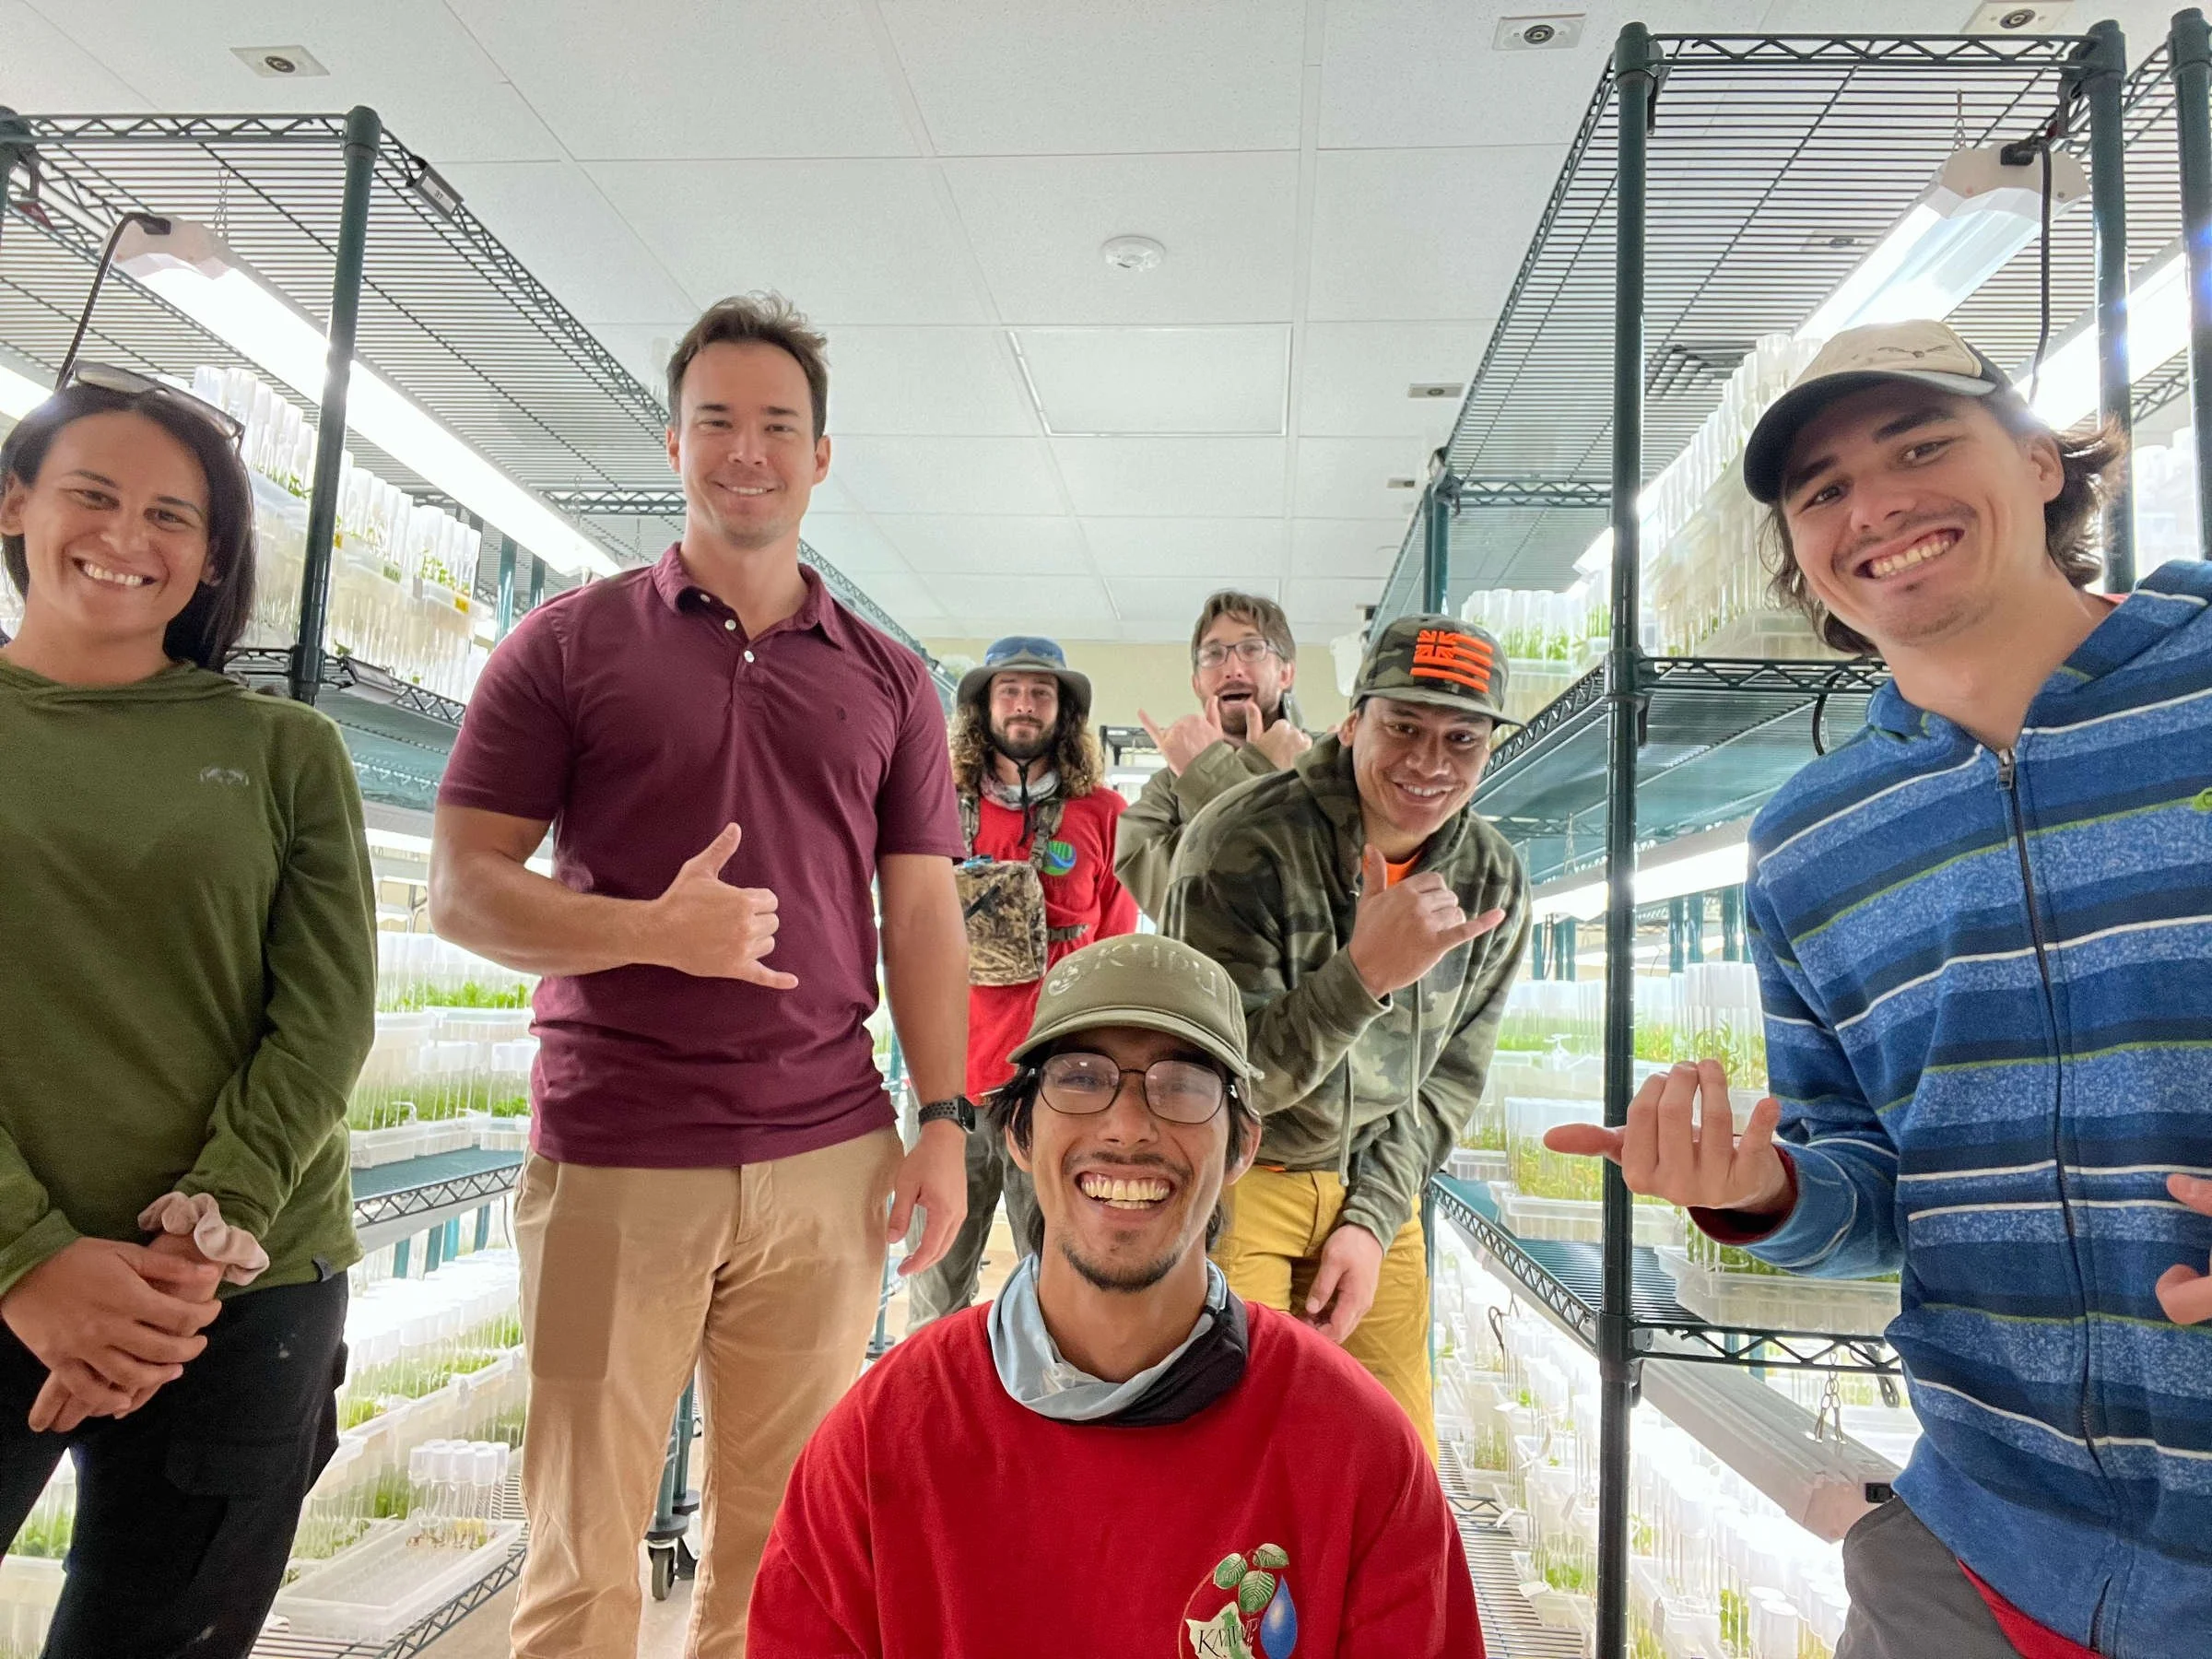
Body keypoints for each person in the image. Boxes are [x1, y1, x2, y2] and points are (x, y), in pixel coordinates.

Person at [1543, 320, 2212, 1659]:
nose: (1877, 507)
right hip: (1979, 1560)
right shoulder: (1812, 841)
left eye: (1920, 446)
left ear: (2038, 464)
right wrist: (1766, 1197)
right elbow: (1869, 1186)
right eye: (1822, 490)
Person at [429, 294, 972, 1659]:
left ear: (821, 457)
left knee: (789, 1549)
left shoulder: (891, 681)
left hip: (828, 1162)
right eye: (717, 420)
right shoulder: (565, 646)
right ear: (671, 443)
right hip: (612, 1157)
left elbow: (921, 915)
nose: (748, 449)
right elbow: (463, 889)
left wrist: (948, 1121)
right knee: (577, 1557)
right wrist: (642, 932)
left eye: (778, 424)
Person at [748, 934, 1485, 1658]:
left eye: (1184, 1085)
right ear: (1018, 1132)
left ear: (1242, 1148)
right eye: (1079, 1076)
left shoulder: (1359, 1454)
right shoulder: (880, 1444)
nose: (1129, 1127)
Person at [0, 370, 377, 1656]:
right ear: (16, 503)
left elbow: (325, 1015)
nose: (127, 538)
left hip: (237, 1296)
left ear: (212, 556)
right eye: (93, 496)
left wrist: (206, 1236)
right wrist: (29, 1257)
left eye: (173, 516)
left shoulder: (285, 750)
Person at [1164, 616, 1530, 1453]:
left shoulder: (1491, 878)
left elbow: (1452, 1081)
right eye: (1403, 726)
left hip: (1379, 1184)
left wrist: (1369, 1219)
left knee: (1396, 1463)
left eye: (1461, 738)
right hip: (1240, 1177)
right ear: (1354, 719)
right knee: (1238, 1453)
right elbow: (1210, 1082)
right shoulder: (1239, 845)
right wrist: (1362, 976)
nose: (1429, 763)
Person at [903, 635, 1137, 1329]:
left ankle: (1044, 1415)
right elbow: (906, 933)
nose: (1025, 706)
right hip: (951, 1084)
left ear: (1063, 712)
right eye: (1010, 691)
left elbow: (1115, 949)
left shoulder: (1105, 814)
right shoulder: (933, 805)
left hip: (1056, 1083)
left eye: (1041, 693)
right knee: (935, 1273)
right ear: (984, 707)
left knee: (1056, 1273)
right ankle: (924, 1416)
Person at [1118, 590, 1313, 923]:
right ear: (1197, 683)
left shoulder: (1329, 769)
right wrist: (1245, 770)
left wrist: (1210, 776)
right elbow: (1180, 908)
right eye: (1213, 654)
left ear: (1285, 673)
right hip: (1200, 975)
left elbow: (1300, 898)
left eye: (1252, 649)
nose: (1232, 668)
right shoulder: (1164, 789)